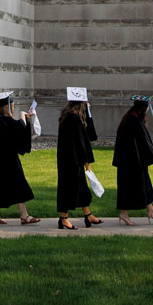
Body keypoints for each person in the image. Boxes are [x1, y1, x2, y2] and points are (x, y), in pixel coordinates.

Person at [0, 91, 40, 225]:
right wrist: (23, 118)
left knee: (13, 186)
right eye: (12, 107)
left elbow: (14, 133)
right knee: (14, 185)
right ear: (6, 107)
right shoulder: (2, 121)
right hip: (3, 164)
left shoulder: (0, 121)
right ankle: (23, 216)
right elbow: (17, 129)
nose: (13, 109)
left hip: (3, 162)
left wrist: (24, 120)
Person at [113, 95, 153, 226]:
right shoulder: (135, 121)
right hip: (132, 162)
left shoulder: (128, 118)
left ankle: (149, 210)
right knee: (137, 186)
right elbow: (145, 142)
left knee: (135, 186)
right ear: (143, 108)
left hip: (128, 161)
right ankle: (127, 213)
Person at [57, 87, 102, 230]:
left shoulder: (70, 115)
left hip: (70, 159)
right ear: (80, 103)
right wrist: (86, 162)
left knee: (82, 188)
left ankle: (88, 215)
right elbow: (81, 142)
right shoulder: (73, 118)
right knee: (69, 189)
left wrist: (88, 114)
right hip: (72, 160)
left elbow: (89, 136)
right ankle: (63, 218)